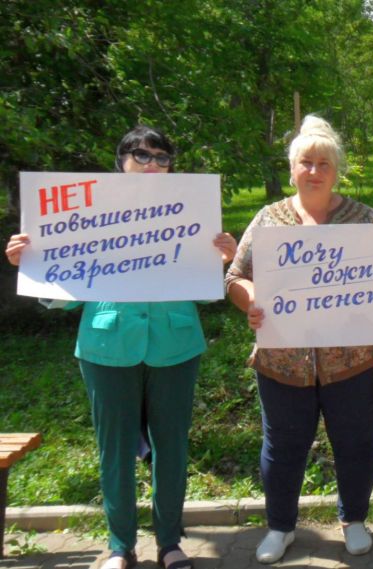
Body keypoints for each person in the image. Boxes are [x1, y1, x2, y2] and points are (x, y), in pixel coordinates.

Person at [5, 125, 237, 569]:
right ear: (121, 162)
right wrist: (31, 261)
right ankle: (119, 547)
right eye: (141, 155)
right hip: (106, 348)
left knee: (171, 449)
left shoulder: (190, 211)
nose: (151, 163)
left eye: (161, 157)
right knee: (114, 451)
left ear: (172, 167)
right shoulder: (91, 210)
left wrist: (219, 257)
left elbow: (207, 291)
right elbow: (57, 295)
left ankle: (170, 543)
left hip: (175, 346)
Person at [225, 115, 373, 565]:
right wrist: (252, 300)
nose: (315, 171)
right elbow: (235, 277)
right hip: (282, 362)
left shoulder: (363, 217)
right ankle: (280, 527)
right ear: (292, 169)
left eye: (324, 163)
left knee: (357, 443)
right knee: (282, 449)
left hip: (353, 362)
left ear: (336, 170)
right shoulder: (269, 219)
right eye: (306, 162)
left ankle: (354, 520)